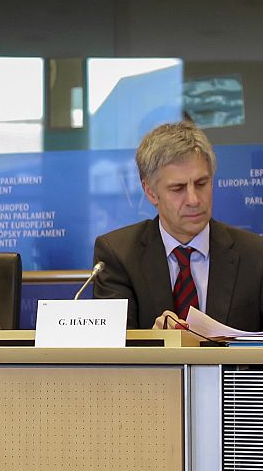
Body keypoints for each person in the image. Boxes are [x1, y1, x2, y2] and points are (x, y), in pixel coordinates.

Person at [93, 119, 263, 330]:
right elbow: (116, 348)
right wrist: (154, 343)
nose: (193, 199)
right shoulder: (118, 254)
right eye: (178, 188)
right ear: (150, 192)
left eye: (201, 184)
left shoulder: (255, 254)